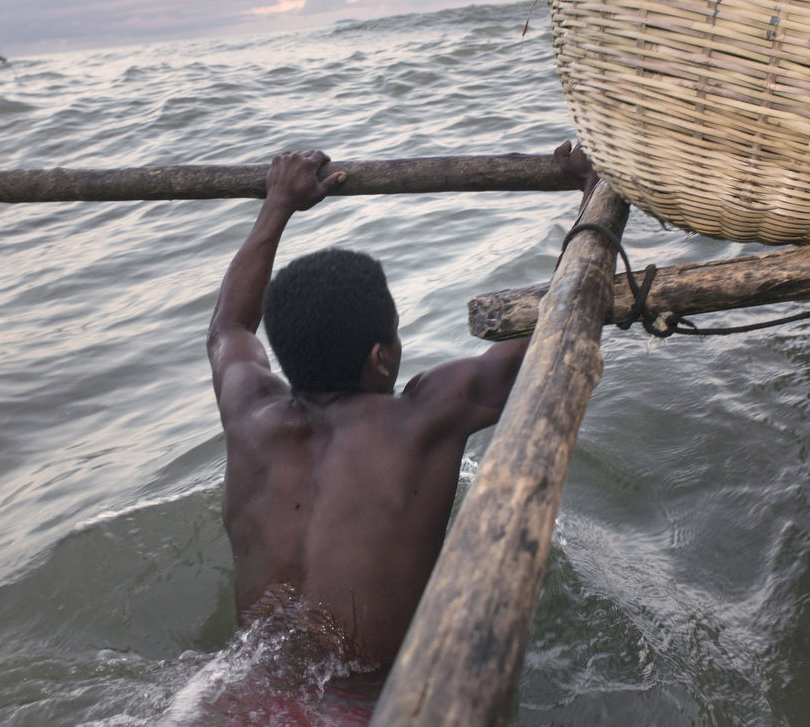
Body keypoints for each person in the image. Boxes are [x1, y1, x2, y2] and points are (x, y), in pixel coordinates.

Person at [206, 142, 598, 676]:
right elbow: (560, 319)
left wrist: (279, 203)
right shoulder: (422, 419)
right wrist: (593, 195)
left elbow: (229, 325)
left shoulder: (248, 412)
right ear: (380, 356)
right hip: (356, 711)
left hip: (238, 694)